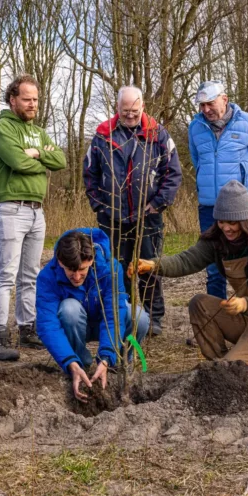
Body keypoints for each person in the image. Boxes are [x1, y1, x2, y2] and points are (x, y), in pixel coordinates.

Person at [130, 181, 248, 379]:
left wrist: (244, 303)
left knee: (235, 375)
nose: (226, 228)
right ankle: (223, 366)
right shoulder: (216, 241)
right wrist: (154, 265)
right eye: (222, 222)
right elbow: (186, 261)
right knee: (200, 304)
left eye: (232, 222)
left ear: (246, 220)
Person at [83, 86, 182, 336]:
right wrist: (99, 205)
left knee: (149, 268)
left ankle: (154, 317)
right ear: (118, 108)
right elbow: (90, 173)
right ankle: (123, 315)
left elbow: (172, 173)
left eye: (135, 111)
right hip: (112, 218)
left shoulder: (158, 134)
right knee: (117, 269)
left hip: (148, 216)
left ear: (143, 107)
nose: (130, 116)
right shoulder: (103, 135)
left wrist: (157, 204)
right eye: (125, 111)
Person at [0, 74, 66, 360]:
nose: (32, 104)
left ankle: (27, 328)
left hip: (37, 210)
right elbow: (18, 163)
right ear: (13, 100)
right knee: (7, 273)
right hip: (10, 207)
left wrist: (36, 154)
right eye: (27, 99)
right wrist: (33, 158)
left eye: (35, 99)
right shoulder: (1, 129)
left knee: (30, 274)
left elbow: (60, 160)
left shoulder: (39, 131)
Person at [36, 229, 150, 402]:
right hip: (74, 325)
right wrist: (70, 363)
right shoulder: (47, 276)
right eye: (70, 271)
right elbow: (48, 324)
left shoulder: (110, 269)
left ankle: (119, 362)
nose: (76, 277)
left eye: (82, 270)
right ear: (60, 262)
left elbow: (114, 315)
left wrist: (105, 357)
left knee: (139, 317)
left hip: (103, 323)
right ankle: (80, 364)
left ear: (90, 260)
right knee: (69, 309)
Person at [188, 80, 248, 300]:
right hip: (208, 207)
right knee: (214, 266)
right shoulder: (195, 127)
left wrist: (247, 193)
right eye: (201, 105)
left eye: (210, 103)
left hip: (242, 209)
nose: (205, 110)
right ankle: (217, 316)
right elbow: (198, 163)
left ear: (224, 99)